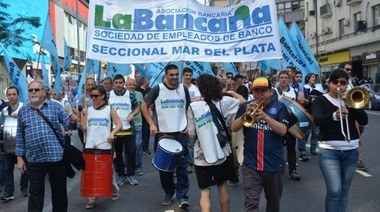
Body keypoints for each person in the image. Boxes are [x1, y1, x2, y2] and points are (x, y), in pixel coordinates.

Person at [15, 81, 77, 211]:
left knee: (59, 195)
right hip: (34, 159)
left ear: (44, 92)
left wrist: (72, 122)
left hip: (56, 158)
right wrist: (19, 158)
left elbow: (68, 125)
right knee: (35, 194)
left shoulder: (56, 107)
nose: (33, 92)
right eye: (31, 90)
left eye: (37, 90)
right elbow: (20, 136)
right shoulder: (23, 111)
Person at [312, 69, 368, 212]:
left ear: (347, 85)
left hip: (351, 151)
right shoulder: (320, 100)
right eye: (335, 82)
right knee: (335, 191)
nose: (339, 85)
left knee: (344, 191)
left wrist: (350, 105)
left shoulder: (349, 101)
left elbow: (364, 120)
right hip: (329, 151)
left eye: (343, 83)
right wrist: (334, 116)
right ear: (329, 83)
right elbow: (317, 120)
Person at [187, 74, 245, 212]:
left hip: (202, 155)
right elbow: (243, 101)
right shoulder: (224, 101)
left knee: (204, 192)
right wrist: (231, 92)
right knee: (222, 186)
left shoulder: (193, 107)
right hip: (221, 152)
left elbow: (191, 135)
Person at [231, 77, 289, 212]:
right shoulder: (246, 106)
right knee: (251, 204)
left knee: (273, 205)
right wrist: (245, 114)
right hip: (251, 165)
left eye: (263, 91)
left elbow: (283, 130)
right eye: (256, 91)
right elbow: (234, 128)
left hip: (273, 165)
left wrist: (266, 117)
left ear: (271, 92)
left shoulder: (280, 107)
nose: (259, 94)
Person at [141, 64, 191, 209]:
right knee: (165, 168)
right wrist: (151, 123)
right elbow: (144, 106)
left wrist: (188, 124)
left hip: (180, 134)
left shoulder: (183, 89)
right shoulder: (157, 89)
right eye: (172, 75)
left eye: (176, 74)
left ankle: (183, 196)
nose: (175, 77)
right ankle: (169, 192)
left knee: (182, 167)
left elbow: (188, 108)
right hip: (163, 134)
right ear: (166, 75)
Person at [79, 85, 122, 209]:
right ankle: (92, 198)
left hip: (105, 145)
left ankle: (114, 189)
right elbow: (85, 128)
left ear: (103, 96)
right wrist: (81, 122)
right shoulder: (88, 110)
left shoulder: (109, 110)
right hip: (90, 145)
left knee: (108, 171)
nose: (93, 98)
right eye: (91, 96)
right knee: (90, 171)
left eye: (96, 96)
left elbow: (119, 124)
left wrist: (112, 134)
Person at [108, 74, 140, 186]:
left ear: (123, 83)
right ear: (113, 84)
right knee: (117, 154)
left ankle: (131, 174)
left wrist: (132, 114)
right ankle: (121, 175)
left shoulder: (130, 95)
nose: (118, 85)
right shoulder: (108, 95)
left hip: (128, 128)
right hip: (114, 130)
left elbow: (137, 107)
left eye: (120, 83)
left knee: (131, 152)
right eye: (116, 83)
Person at [339, 62, 369, 171]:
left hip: (353, 112)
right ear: (341, 69)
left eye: (350, 70)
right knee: (348, 139)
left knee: (357, 138)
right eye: (347, 69)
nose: (349, 71)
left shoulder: (352, 81)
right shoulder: (335, 82)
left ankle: (358, 160)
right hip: (343, 113)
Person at [0, 86, 29, 202]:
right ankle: (9, 192)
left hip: (22, 144)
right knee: (7, 169)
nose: (11, 96)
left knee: (24, 168)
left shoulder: (25, 108)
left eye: (14, 94)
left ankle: (24, 189)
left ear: (18, 95)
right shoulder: (3, 111)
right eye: (9, 94)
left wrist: (21, 117)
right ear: (7, 96)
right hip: (7, 145)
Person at [272, 71, 302, 180]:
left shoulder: (293, 91)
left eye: (285, 77)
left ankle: (292, 170)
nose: (284, 79)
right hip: (279, 122)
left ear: (289, 79)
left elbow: (297, 106)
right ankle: (277, 168)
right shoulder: (275, 91)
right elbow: (274, 106)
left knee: (291, 147)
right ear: (278, 79)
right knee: (277, 146)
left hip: (291, 122)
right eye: (281, 77)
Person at [182, 67, 201, 173]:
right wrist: (191, 101)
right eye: (186, 75)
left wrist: (187, 101)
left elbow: (198, 99)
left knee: (190, 141)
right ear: (183, 76)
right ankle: (181, 163)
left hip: (192, 118)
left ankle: (190, 163)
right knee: (181, 141)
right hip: (180, 118)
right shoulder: (179, 87)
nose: (188, 77)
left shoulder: (195, 88)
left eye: (190, 75)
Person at [125, 78, 144, 176]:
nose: (132, 86)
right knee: (127, 148)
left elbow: (142, 108)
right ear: (126, 85)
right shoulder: (123, 96)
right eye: (130, 85)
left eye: (133, 84)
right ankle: (127, 167)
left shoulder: (139, 95)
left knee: (138, 145)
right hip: (126, 125)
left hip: (138, 123)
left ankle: (138, 167)